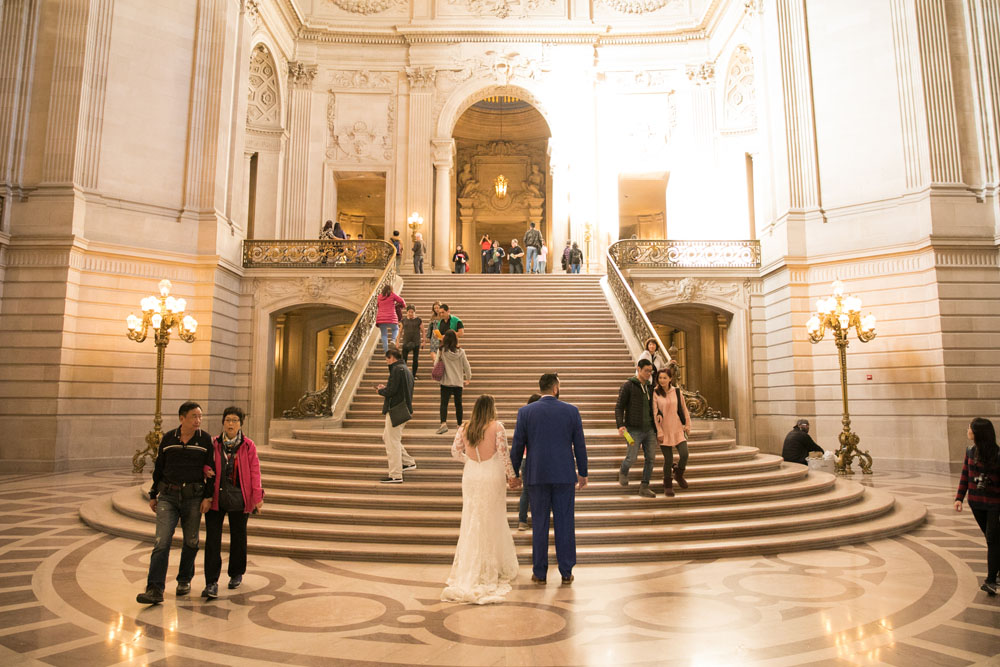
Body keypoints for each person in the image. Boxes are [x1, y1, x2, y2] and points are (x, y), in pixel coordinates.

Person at [441, 394, 519, 604]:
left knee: (472, 517)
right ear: (491, 408)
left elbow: (454, 452)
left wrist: (470, 460)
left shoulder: (465, 427)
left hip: (472, 475)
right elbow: (504, 455)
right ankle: (490, 567)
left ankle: (470, 566)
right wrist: (512, 477)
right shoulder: (497, 427)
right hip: (491, 475)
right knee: (493, 518)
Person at [511, 373, 588, 585]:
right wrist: (583, 472)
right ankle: (566, 570)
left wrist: (514, 473)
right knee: (565, 522)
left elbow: (517, 445)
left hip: (537, 474)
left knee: (539, 523)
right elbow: (579, 444)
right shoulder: (571, 411)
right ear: (555, 388)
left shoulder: (525, 412)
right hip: (564, 474)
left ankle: (539, 572)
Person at [136, 401, 214, 605]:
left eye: (200, 417)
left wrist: (208, 496)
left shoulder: (205, 440)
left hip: (193, 497)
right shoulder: (168, 438)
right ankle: (154, 588)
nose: (198, 420)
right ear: (182, 418)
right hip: (168, 496)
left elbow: (211, 470)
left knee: (191, 541)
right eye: (194, 416)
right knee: (161, 542)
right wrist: (154, 494)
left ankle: (184, 579)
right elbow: (159, 468)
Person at [201, 406, 264, 600]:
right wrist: (205, 469)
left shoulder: (248, 445)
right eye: (228, 420)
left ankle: (236, 573)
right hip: (216, 497)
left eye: (235, 420)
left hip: (239, 496)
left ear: (241, 424)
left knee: (238, 537)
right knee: (212, 540)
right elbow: (203, 462)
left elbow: (255, 472)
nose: (231, 424)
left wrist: (257, 497)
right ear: (223, 422)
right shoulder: (213, 443)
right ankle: (211, 582)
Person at [955, 417, 1000, 596]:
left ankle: (990, 580)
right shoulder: (970, 452)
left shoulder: (997, 455)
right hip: (976, 503)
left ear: (978, 433)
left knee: (992, 540)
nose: (968, 431)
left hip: (994, 504)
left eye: (970, 428)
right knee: (994, 539)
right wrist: (959, 497)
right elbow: (965, 475)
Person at [615, 359, 657, 498]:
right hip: (633, 430)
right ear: (638, 369)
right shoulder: (628, 385)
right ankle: (623, 470)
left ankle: (644, 486)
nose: (649, 374)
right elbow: (619, 407)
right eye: (646, 371)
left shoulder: (651, 387)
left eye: (650, 371)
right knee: (632, 457)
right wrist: (620, 424)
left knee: (650, 458)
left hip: (650, 430)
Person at [376, 347, 416, 483]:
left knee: (392, 441)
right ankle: (408, 462)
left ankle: (395, 475)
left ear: (392, 357)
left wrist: (381, 391)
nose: (387, 362)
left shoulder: (396, 370)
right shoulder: (405, 369)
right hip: (403, 408)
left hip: (396, 409)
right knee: (388, 437)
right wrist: (386, 389)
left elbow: (392, 391)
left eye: (387, 359)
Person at [653, 366, 691, 497]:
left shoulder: (677, 392)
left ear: (670, 379)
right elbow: (654, 413)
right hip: (664, 430)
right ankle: (668, 485)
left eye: (665, 378)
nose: (662, 380)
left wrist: (687, 424)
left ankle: (678, 474)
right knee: (668, 460)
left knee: (684, 454)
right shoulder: (655, 393)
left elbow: (684, 409)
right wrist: (659, 432)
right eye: (660, 378)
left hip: (677, 428)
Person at [436, 330, 471, 435]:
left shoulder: (441, 351)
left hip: (445, 381)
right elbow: (467, 366)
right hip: (458, 382)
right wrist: (468, 378)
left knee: (444, 403)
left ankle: (443, 424)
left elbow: (436, 363)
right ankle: (459, 425)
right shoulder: (461, 352)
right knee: (458, 404)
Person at [517, 393, 542, 531]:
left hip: (526, 459)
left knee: (526, 491)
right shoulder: (541, 420)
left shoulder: (525, 418)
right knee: (540, 491)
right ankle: (539, 520)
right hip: (538, 459)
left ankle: (522, 521)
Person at [375, 284, 405, 353]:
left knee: (384, 334)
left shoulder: (379, 297)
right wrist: (403, 305)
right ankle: (393, 340)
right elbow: (401, 300)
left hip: (381, 318)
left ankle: (386, 351)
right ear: (391, 289)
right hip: (391, 317)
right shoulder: (392, 295)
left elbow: (378, 305)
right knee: (395, 329)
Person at [400, 305, 424, 379]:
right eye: (409, 312)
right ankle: (404, 374)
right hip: (406, 342)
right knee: (404, 359)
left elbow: (423, 331)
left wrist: (424, 341)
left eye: (412, 312)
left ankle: (413, 375)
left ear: (414, 312)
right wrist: (397, 342)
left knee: (415, 359)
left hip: (416, 342)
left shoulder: (418, 320)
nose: (410, 313)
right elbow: (400, 331)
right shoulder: (403, 321)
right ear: (407, 312)